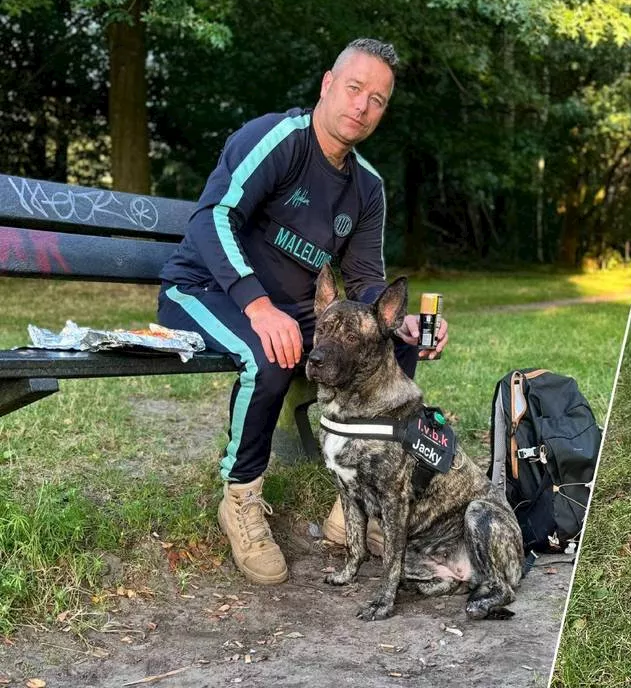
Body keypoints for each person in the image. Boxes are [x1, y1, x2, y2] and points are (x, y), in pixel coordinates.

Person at [156, 38, 447, 585]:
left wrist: (397, 322)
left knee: (393, 344)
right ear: (327, 84)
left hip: (292, 310)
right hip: (202, 289)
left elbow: (364, 282)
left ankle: (352, 511)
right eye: (354, 88)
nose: (361, 106)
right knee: (267, 352)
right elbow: (210, 219)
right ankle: (241, 499)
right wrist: (259, 305)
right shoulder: (278, 140)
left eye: (377, 100)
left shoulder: (368, 187)